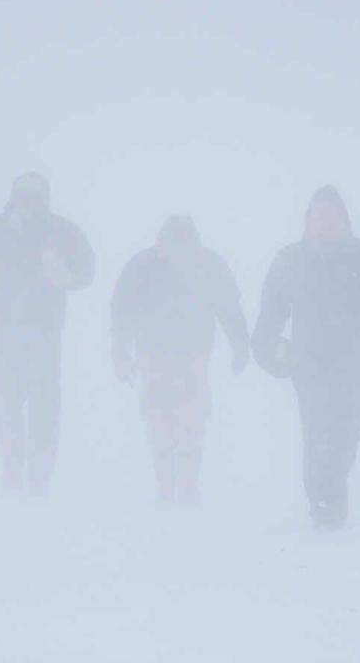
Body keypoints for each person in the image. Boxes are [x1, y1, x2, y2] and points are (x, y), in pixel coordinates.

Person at [252, 186, 360, 530]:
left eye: (332, 215)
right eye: (318, 216)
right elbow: (272, 310)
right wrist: (265, 349)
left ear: (345, 220)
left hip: (353, 362)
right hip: (307, 362)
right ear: (307, 222)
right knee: (317, 432)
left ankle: (331, 489)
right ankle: (323, 502)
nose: (325, 222)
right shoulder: (291, 259)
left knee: (347, 433)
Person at [111, 216, 249, 505]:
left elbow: (229, 308)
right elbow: (121, 311)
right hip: (152, 354)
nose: (176, 249)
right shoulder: (142, 266)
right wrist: (120, 353)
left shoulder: (209, 265)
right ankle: (166, 485)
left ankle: (187, 485)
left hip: (193, 354)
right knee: (158, 419)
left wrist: (240, 346)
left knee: (191, 417)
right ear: (161, 241)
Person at [0, 172, 94, 495]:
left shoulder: (62, 231)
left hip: (44, 330)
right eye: (25, 197)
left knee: (45, 406)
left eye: (37, 198)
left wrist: (65, 276)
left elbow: (87, 270)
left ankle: (39, 476)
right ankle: (12, 468)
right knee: (5, 404)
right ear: (13, 198)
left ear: (47, 199)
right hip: (4, 328)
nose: (31, 204)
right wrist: (18, 264)